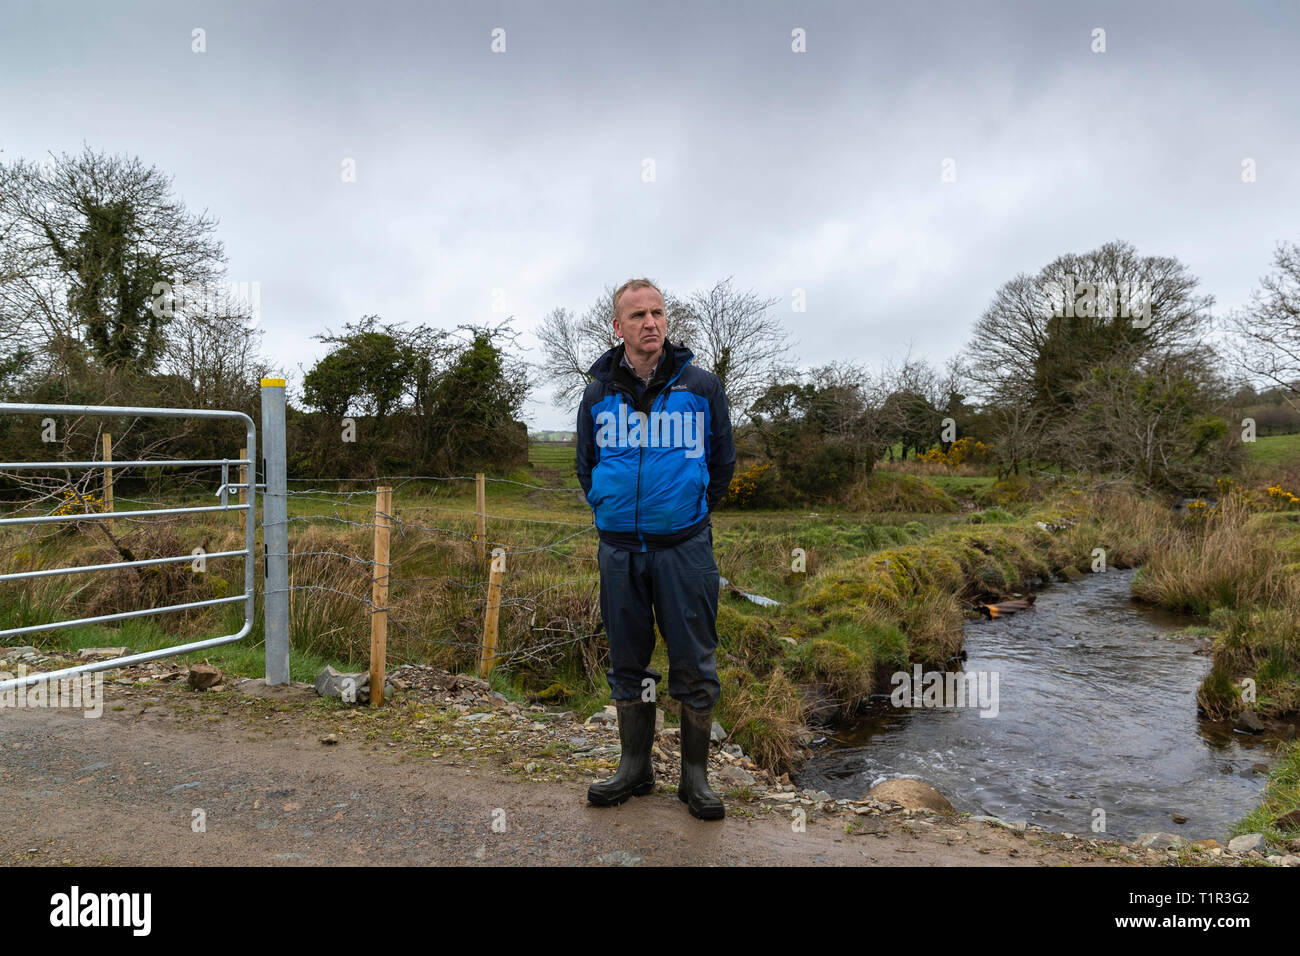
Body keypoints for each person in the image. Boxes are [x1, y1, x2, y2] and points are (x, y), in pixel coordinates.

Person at [575, 277, 735, 820]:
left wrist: (688, 510)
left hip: (684, 549)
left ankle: (695, 780)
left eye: (658, 312)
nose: (651, 322)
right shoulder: (598, 393)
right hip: (619, 551)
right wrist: (605, 505)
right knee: (628, 661)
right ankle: (634, 767)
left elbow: (722, 465)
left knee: (693, 660)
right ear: (616, 326)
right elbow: (585, 465)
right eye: (638, 315)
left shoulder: (703, 386)